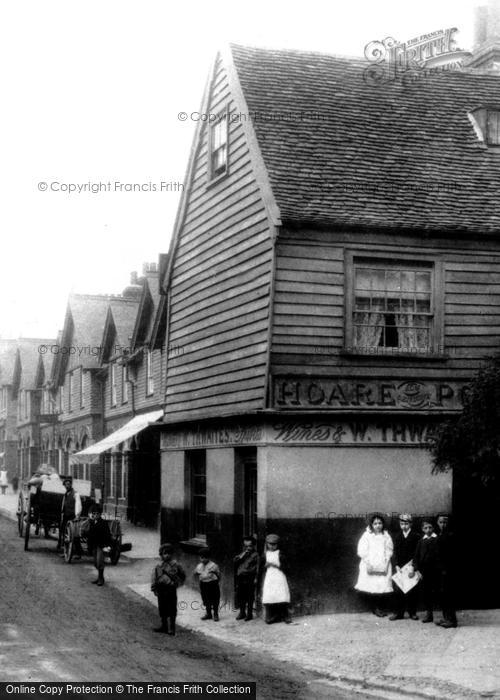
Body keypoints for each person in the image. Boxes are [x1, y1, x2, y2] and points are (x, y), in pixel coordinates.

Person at [355, 514, 394, 617]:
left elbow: (389, 549)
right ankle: (375, 608)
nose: (378, 526)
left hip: (382, 563)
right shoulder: (367, 535)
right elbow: (362, 550)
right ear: (371, 525)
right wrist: (368, 561)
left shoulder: (386, 536)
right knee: (372, 585)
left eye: (380, 523)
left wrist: (386, 561)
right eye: (375, 523)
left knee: (381, 585)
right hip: (370, 563)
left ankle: (379, 607)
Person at [389, 513, 421, 621]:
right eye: (402, 524)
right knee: (398, 590)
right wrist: (397, 565)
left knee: (412, 590)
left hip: (411, 566)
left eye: (406, 524)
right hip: (401, 567)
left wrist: (414, 565)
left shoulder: (416, 536)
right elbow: (395, 552)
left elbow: (417, 552)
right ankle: (399, 612)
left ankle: (412, 612)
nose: (404, 526)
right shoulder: (397, 536)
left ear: (411, 524)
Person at [151, 543, 186, 635]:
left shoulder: (176, 565)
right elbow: (154, 577)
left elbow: (182, 575)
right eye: (164, 553)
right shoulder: (158, 566)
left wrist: (177, 584)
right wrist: (154, 588)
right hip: (161, 589)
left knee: (172, 608)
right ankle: (164, 626)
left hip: (171, 589)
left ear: (172, 554)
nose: (167, 555)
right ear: (161, 555)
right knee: (162, 608)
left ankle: (172, 628)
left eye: (169, 553)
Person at [259, 533, 291, 624]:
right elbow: (260, 568)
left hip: (279, 577)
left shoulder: (280, 554)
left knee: (281, 595)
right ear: (267, 544)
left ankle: (285, 616)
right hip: (270, 578)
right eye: (270, 544)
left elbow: (287, 568)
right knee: (270, 595)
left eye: (274, 544)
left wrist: (277, 565)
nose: (272, 546)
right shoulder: (265, 555)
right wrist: (265, 566)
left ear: (277, 544)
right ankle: (272, 616)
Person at [413, 518, 440, 623]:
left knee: (439, 592)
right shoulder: (421, 541)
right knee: (426, 593)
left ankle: (446, 615)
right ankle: (429, 615)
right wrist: (417, 571)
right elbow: (416, 557)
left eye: (430, 527)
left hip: (436, 571)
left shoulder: (437, 539)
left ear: (433, 528)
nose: (428, 530)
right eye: (425, 528)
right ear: (422, 529)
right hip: (424, 572)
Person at [81, 504, 112, 586]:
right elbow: (89, 534)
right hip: (94, 545)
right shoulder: (90, 523)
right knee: (95, 562)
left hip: (101, 545)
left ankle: (101, 579)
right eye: (93, 514)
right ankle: (99, 577)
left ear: (99, 514)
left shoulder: (103, 523)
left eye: (96, 514)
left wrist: (108, 546)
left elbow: (108, 535)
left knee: (99, 561)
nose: (94, 515)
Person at [435, 513, 458, 628]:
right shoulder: (440, 534)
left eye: (445, 522)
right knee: (443, 594)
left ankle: (452, 620)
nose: (443, 524)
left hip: (448, 570)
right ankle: (446, 617)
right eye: (441, 522)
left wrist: (446, 568)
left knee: (449, 595)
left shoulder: (450, 535)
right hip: (441, 570)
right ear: (437, 523)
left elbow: (450, 555)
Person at [234, 535, 259, 621]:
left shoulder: (256, 555)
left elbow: (258, 568)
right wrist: (243, 554)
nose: (248, 548)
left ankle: (249, 614)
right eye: (246, 546)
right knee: (241, 595)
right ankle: (242, 612)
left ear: (254, 546)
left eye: (250, 546)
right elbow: (235, 561)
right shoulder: (242, 553)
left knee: (249, 596)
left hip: (250, 577)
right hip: (241, 577)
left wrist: (256, 578)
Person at [194, 547, 221, 621]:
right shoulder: (199, 566)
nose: (202, 559)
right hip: (203, 584)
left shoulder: (214, 566)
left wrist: (215, 582)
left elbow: (219, 575)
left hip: (212, 584)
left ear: (208, 557)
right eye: (201, 558)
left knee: (214, 599)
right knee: (206, 599)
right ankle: (208, 613)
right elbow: (195, 573)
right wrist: (196, 573)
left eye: (204, 558)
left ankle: (215, 614)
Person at [58, 477, 82, 551]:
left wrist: (77, 515)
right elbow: (63, 504)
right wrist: (62, 511)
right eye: (66, 485)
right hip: (65, 516)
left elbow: (78, 504)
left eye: (68, 484)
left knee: (75, 534)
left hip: (72, 516)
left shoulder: (75, 494)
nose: (67, 486)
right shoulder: (65, 494)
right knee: (64, 532)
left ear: (71, 485)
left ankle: (78, 552)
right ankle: (65, 549)